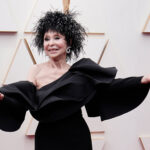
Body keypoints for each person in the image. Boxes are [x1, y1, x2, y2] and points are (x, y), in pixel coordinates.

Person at [0, 10, 150, 150]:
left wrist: (142, 80)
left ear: (69, 42)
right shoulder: (35, 70)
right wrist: (3, 99)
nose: (50, 43)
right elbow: (24, 96)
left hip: (77, 135)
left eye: (57, 37)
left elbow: (108, 88)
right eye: (46, 39)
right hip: (47, 136)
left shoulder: (80, 71)